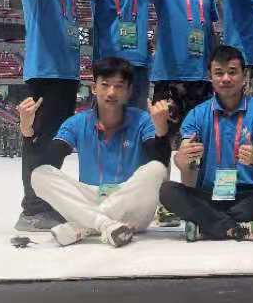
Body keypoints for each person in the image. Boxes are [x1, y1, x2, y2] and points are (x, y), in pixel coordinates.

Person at [21, 56, 171, 248]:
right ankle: (104, 224)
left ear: (129, 91)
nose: (111, 92)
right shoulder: (77, 123)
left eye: (119, 86)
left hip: (131, 203)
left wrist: (161, 130)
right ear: (94, 88)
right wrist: (27, 130)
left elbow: (160, 159)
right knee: (39, 175)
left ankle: (86, 226)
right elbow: (47, 163)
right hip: (93, 196)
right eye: (105, 85)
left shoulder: (142, 120)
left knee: (157, 169)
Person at [159, 44, 253, 241]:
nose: (226, 78)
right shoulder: (197, 114)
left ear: (244, 76)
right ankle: (238, 228)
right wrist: (182, 158)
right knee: (167, 191)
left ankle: (208, 225)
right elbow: (183, 158)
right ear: (210, 77)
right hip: (209, 195)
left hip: (248, 194)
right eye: (219, 73)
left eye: (232, 72)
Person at [15, 0, 85, 232]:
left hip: (66, 73)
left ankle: (45, 202)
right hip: (46, 72)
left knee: (55, 144)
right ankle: (31, 209)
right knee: (39, 141)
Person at [147, 0, 220, 148]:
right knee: (162, 145)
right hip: (169, 77)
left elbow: (211, 33)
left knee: (198, 147)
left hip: (201, 80)